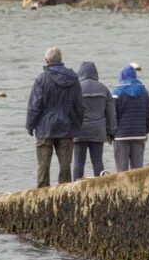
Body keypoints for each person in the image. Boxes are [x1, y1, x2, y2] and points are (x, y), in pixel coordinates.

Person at [26, 47, 84, 188]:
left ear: (46, 61)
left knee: (43, 165)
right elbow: (79, 105)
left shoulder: (41, 79)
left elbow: (35, 105)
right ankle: (64, 193)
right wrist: (78, 123)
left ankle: (42, 194)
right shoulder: (73, 79)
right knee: (65, 165)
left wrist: (30, 125)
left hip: (45, 127)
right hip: (66, 125)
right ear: (61, 59)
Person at [72, 61, 116, 180]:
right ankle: (100, 187)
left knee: (78, 161)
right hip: (98, 131)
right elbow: (111, 113)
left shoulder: (75, 89)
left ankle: (75, 188)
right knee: (97, 160)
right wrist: (111, 131)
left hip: (79, 131)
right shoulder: (103, 88)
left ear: (80, 73)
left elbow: (70, 111)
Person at [112, 64, 149, 172]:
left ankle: (123, 188)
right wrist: (145, 131)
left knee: (122, 172)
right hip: (139, 135)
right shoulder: (144, 92)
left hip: (121, 136)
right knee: (138, 172)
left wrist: (111, 133)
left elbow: (112, 116)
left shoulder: (116, 92)